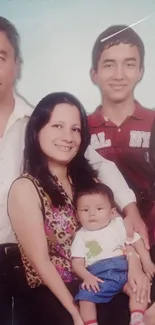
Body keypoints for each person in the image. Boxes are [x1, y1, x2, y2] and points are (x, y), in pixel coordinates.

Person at [8, 92, 149, 325]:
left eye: (75, 129)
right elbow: (41, 263)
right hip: (58, 291)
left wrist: (136, 268)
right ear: (37, 131)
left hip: (103, 275)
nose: (68, 137)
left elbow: (117, 234)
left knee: (145, 300)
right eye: (57, 126)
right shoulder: (26, 188)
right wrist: (74, 312)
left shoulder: (87, 182)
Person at [87, 25, 155, 321]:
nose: (118, 74)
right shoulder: (77, 128)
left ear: (141, 70)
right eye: (109, 64)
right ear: (94, 73)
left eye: (129, 64)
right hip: (102, 256)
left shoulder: (152, 122)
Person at [71, 183, 155, 325]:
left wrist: (147, 262)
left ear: (111, 212)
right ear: (77, 216)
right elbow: (77, 263)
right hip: (99, 277)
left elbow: (137, 242)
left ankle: (137, 318)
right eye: (85, 210)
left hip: (124, 269)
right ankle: (90, 323)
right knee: (85, 298)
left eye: (99, 208)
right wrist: (87, 277)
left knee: (138, 289)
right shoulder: (81, 236)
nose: (92, 213)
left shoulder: (118, 225)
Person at [0, 16, 32, 325]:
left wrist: (127, 204)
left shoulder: (38, 122)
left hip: (26, 262)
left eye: (0, 57)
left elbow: (93, 163)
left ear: (17, 64)